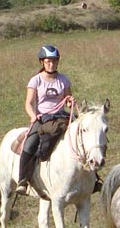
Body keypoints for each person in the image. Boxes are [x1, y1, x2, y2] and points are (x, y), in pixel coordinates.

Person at [15, 45, 75, 194]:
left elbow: (67, 101)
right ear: (42, 62)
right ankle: (22, 180)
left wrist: (70, 101)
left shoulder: (64, 80)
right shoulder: (35, 81)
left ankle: (92, 179)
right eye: (48, 61)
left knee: (82, 136)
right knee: (29, 145)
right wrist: (33, 116)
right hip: (42, 118)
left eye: (54, 61)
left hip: (61, 117)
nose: (52, 64)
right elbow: (28, 103)